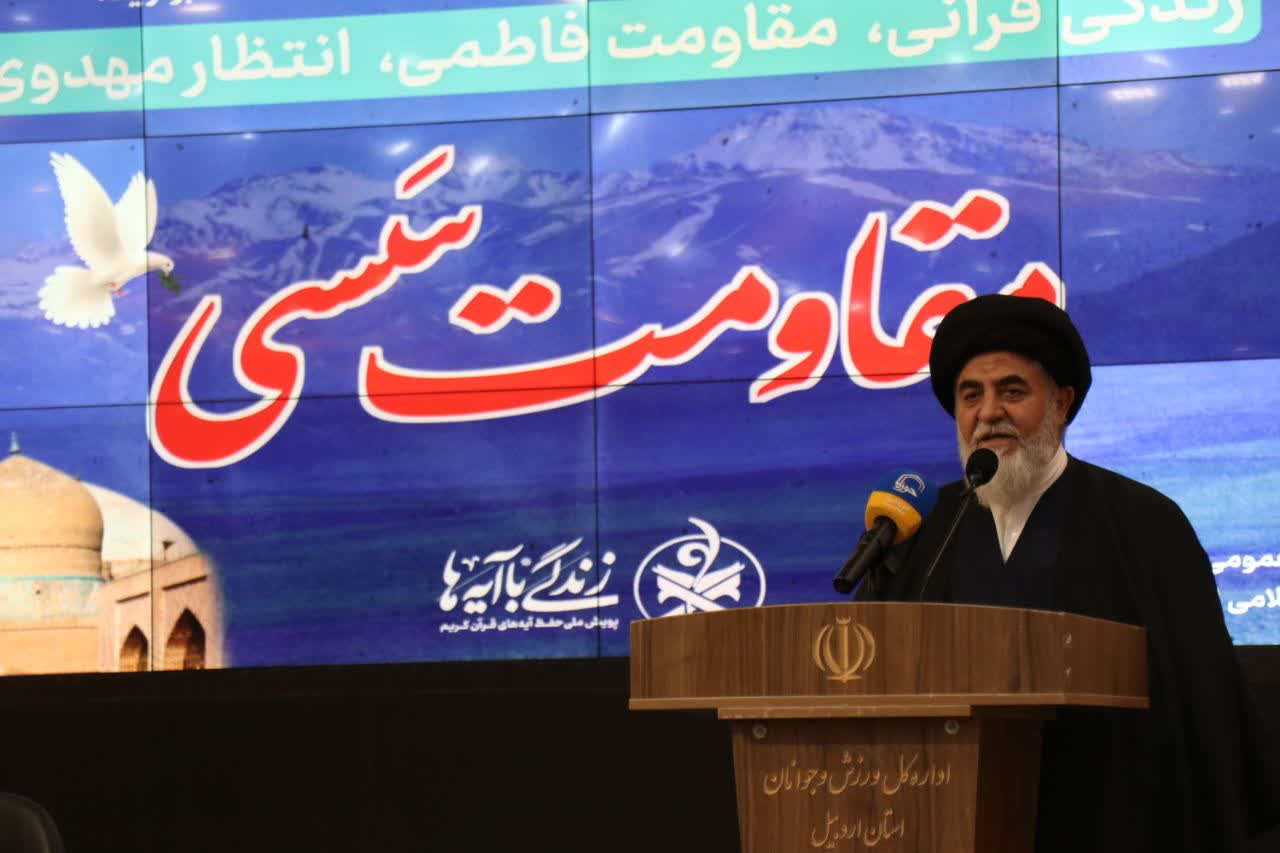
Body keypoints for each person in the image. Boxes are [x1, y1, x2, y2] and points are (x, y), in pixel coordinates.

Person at [855, 294, 1279, 852]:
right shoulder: (927, 528)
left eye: (1012, 391)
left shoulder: (1143, 522)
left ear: (1061, 402)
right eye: (971, 395)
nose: (989, 412)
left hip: (1107, 814)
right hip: (950, 814)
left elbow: (1202, 704)